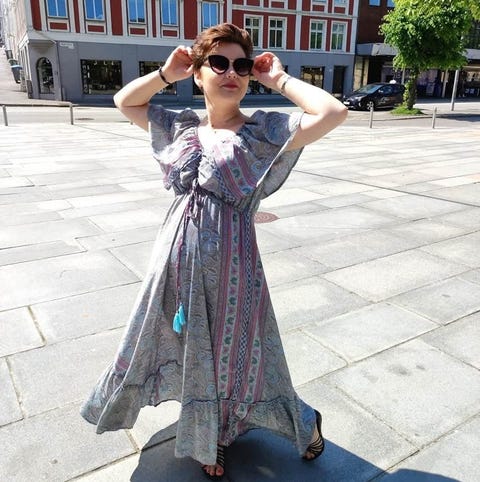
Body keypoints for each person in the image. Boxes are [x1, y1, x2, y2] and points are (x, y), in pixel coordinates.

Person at [80, 23, 347, 479]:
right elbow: (125, 101)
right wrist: (166, 74)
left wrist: (277, 79)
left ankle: (292, 423)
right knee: (187, 350)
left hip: (233, 268)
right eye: (218, 63)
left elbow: (333, 111)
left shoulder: (264, 131)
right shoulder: (180, 126)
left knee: (237, 355)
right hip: (173, 266)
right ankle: (209, 433)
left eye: (241, 65)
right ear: (199, 73)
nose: (232, 73)